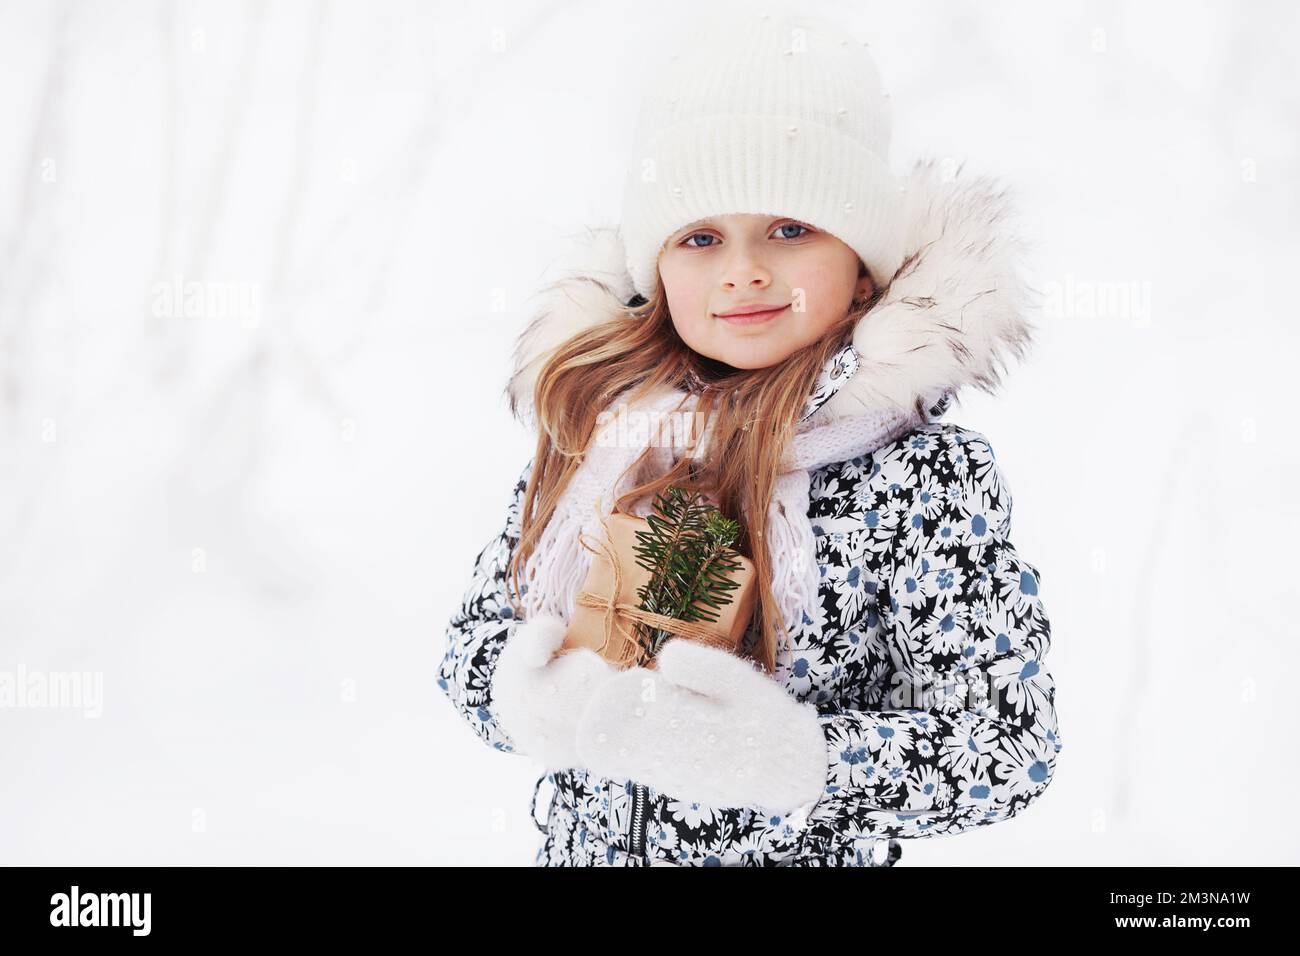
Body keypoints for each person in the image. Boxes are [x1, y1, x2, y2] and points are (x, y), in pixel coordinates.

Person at [438, 11, 1063, 867]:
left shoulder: (917, 478)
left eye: (791, 227)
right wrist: (535, 695)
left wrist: (796, 760)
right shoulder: (605, 434)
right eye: (699, 239)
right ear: (655, 266)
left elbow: (1007, 744)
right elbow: (472, 648)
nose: (743, 272)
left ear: (862, 259)